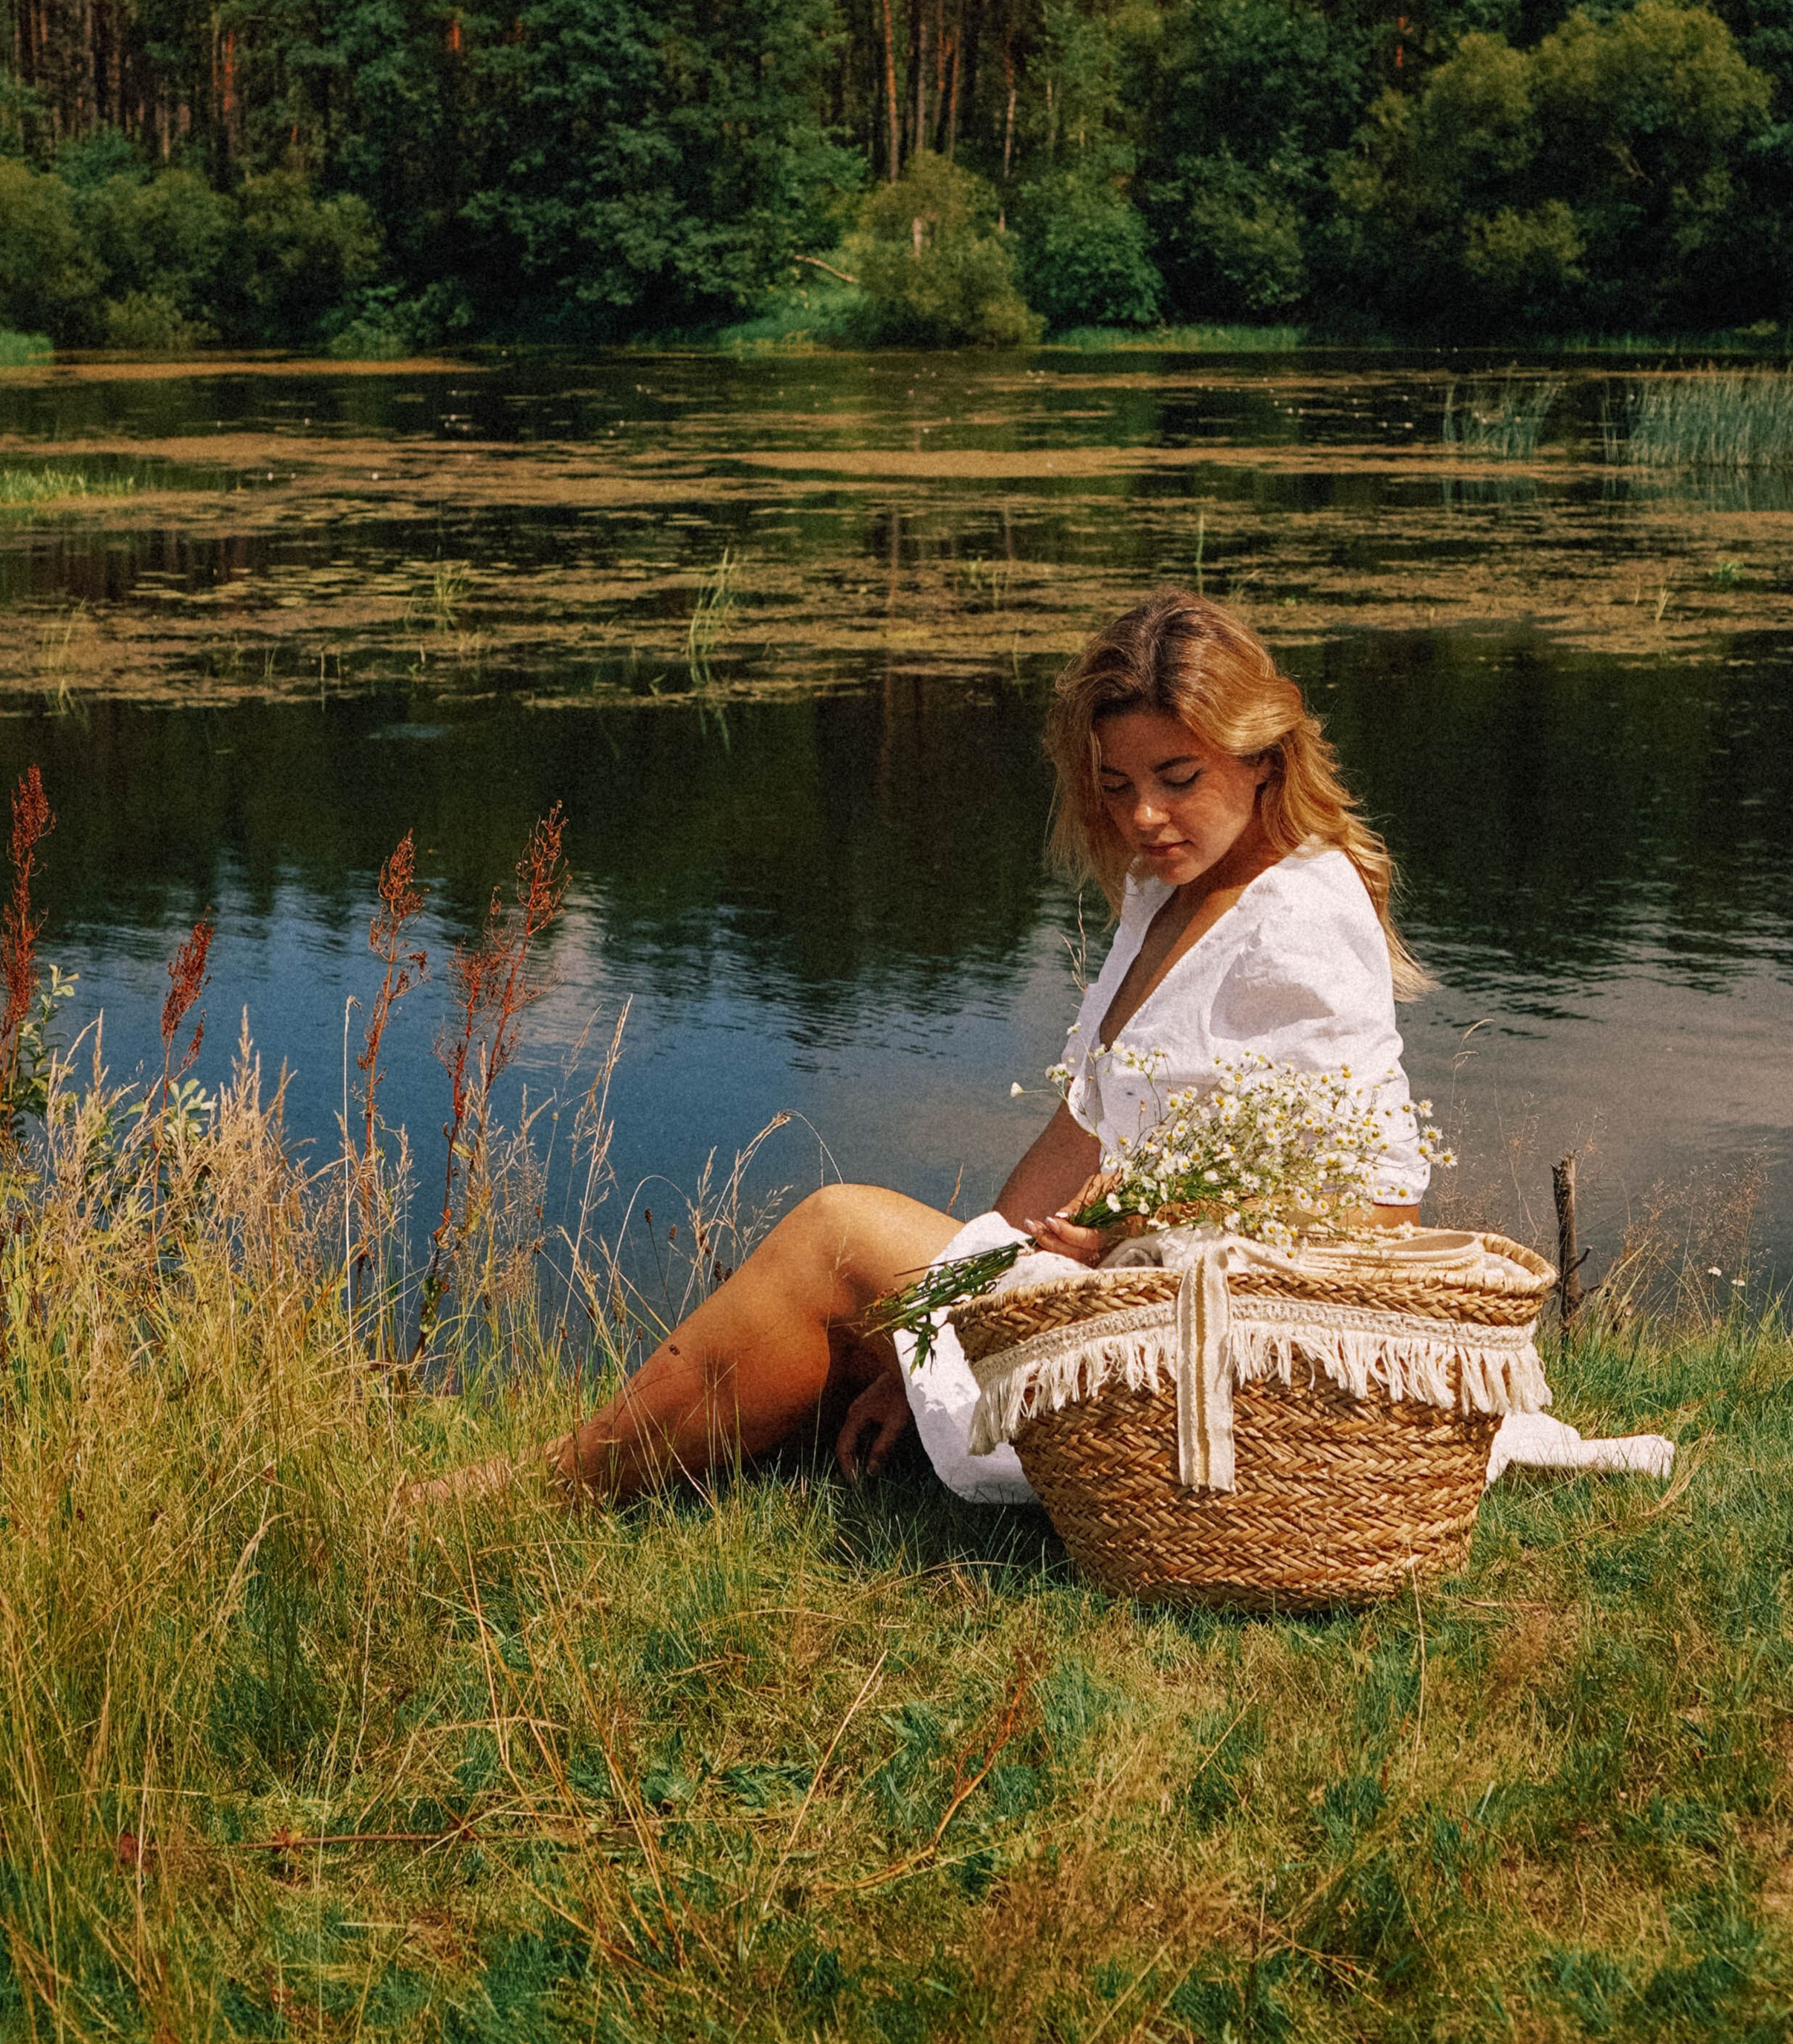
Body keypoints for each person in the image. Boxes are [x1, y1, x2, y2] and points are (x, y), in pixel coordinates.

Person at [458, 590, 1435, 1510]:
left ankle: (533, 1491)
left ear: (1262, 756)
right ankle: (621, 1472)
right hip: (1120, 1291)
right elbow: (1077, 1135)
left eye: (1178, 779)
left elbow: (1382, 1208)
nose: (1144, 816)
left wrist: (1149, 1225)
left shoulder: (1299, 914)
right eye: (1117, 785)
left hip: (1210, 1336)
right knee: (852, 1336)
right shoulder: (1167, 893)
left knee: (838, 1230)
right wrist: (937, 1330)